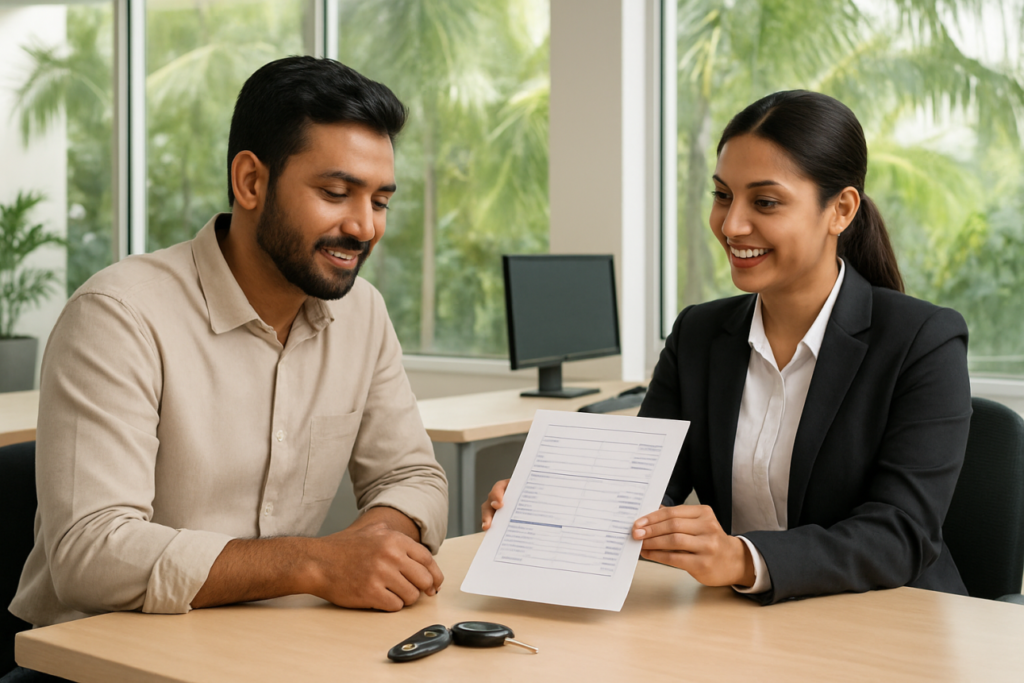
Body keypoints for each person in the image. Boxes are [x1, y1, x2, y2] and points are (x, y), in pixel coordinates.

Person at [7, 56, 448, 675]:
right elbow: (91, 553)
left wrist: (371, 543)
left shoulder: (363, 314)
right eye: (334, 193)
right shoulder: (119, 314)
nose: (363, 226)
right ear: (250, 182)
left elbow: (413, 476)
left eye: (380, 201)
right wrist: (314, 563)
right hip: (101, 663)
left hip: (265, 650)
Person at [482, 90, 971, 605]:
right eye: (722, 195)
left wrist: (744, 558)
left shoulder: (923, 341)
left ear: (840, 210)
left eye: (765, 202)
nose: (732, 225)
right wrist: (552, 504)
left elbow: (901, 533)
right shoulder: (698, 334)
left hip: (890, 623)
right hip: (745, 627)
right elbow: (648, 487)